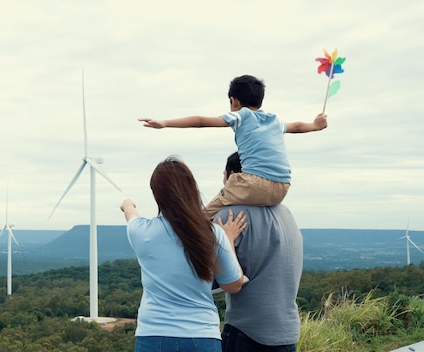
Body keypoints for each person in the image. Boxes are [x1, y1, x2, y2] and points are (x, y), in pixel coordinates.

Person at [138, 74, 328, 221]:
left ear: (234, 101)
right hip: (282, 188)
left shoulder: (241, 115)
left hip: (254, 184)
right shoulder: (274, 120)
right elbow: (297, 127)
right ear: (260, 101)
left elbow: (201, 121)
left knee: (205, 216)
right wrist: (316, 125)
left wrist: (164, 123)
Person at [120, 156, 247, 352]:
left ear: (157, 195)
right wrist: (228, 240)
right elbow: (233, 284)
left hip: (153, 336)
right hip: (202, 336)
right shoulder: (213, 234)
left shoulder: (141, 232)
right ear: (191, 190)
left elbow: (131, 215)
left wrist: (128, 204)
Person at [216, 151, 304, 352]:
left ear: (231, 176)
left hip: (247, 331)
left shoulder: (229, 216)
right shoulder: (286, 213)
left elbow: (221, 280)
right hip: (286, 332)